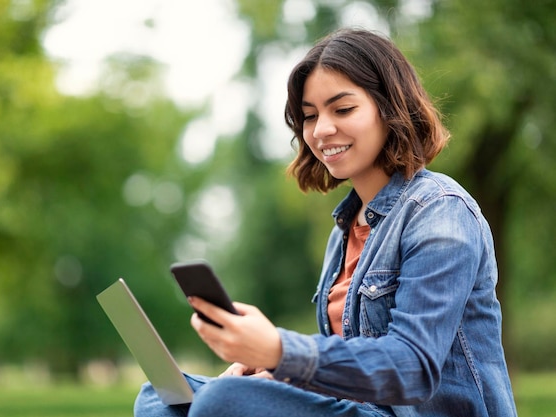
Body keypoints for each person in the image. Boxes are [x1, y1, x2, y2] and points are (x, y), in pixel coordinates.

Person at [134, 28, 517, 417]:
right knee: (160, 398)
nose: (321, 130)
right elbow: (353, 371)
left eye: (343, 109)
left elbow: (413, 368)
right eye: (309, 116)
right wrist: (278, 373)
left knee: (222, 402)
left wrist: (280, 350)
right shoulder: (346, 230)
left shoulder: (440, 212)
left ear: (391, 108)